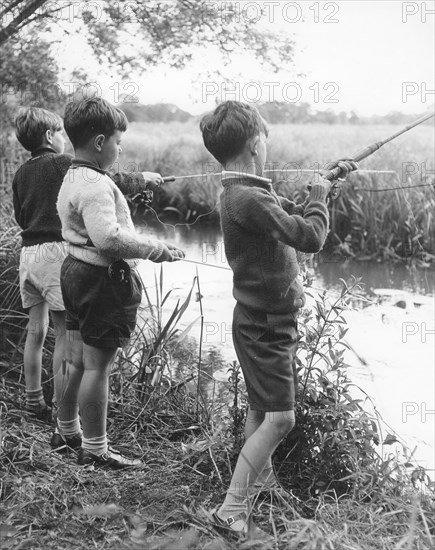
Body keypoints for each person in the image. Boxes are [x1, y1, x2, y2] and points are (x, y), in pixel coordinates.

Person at [200, 100, 357, 535]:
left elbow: (288, 214)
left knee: (261, 408)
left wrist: (323, 186)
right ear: (255, 145)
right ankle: (231, 509)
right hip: (265, 326)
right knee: (281, 418)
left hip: (264, 321)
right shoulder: (246, 196)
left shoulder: (245, 189)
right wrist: (319, 201)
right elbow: (309, 236)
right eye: (265, 141)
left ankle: (261, 482)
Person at [12, 106, 166, 445]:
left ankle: (47, 410)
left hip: (38, 257)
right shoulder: (72, 169)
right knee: (81, 353)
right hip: (75, 263)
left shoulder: (30, 173)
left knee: (45, 338)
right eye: (118, 141)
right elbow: (107, 213)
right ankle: (79, 431)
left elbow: (22, 212)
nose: (120, 148)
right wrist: (145, 183)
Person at [56, 97, 185, 469]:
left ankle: (67, 430)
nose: (120, 148)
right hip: (100, 281)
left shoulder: (73, 175)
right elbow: (109, 238)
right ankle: (95, 449)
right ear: (100, 143)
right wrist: (155, 248)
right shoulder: (96, 185)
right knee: (98, 367)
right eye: (118, 142)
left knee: (76, 360)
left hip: (75, 273)